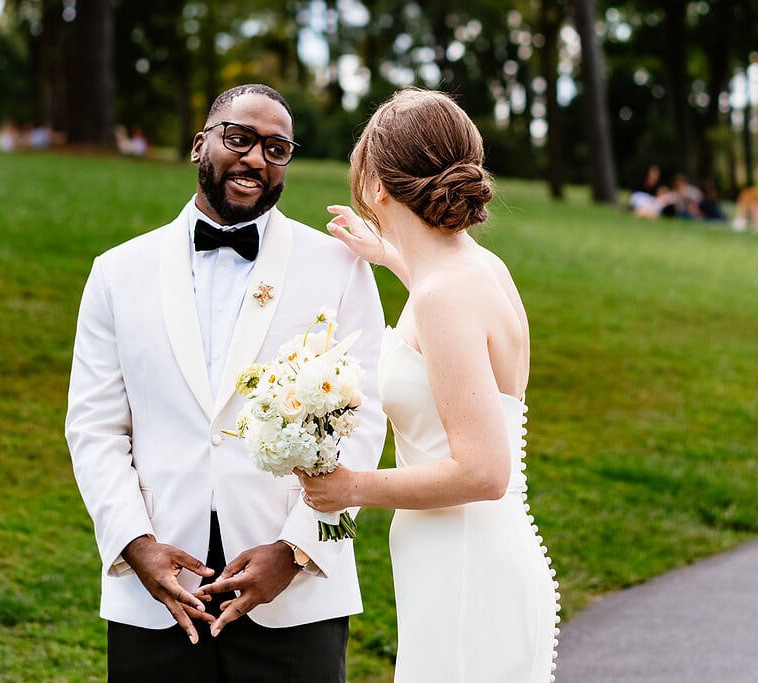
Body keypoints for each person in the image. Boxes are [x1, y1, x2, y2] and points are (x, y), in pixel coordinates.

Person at [64, 83, 386, 682]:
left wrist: (296, 550)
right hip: (157, 587)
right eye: (239, 138)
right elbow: (94, 427)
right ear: (199, 145)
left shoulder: (340, 267)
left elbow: (365, 423)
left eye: (276, 148)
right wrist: (135, 543)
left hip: (293, 592)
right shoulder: (116, 272)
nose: (256, 159)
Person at [296, 88, 560, 682]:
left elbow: (483, 472)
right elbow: (443, 305)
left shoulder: (444, 294)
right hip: (464, 559)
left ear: (376, 186)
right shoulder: (474, 268)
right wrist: (389, 255)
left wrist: (350, 487)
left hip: (466, 573)